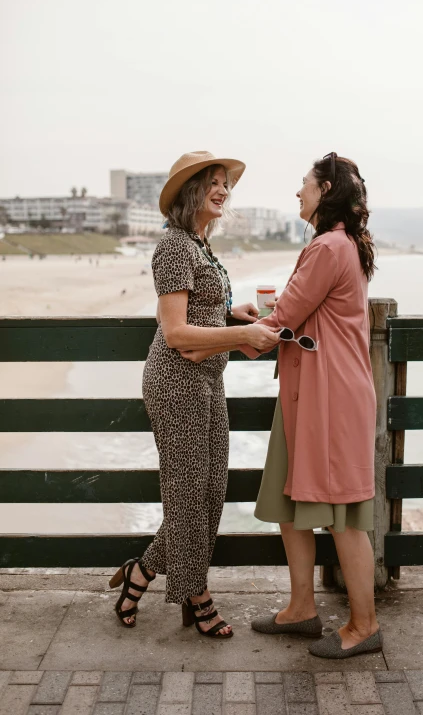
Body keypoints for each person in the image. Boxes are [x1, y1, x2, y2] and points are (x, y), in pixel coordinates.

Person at [108, 151, 280, 638]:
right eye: (213, 183)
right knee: (187, 500)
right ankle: (197, 596)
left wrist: (233, 315)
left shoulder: (202, 247)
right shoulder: (174, 248)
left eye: (226, 184)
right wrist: (245, 337)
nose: (223, 191)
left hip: (208, 380)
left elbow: (200, 315)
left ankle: (137, 576)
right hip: (175, 383)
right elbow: (178, 335)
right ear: (191, 192)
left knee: (209, 495)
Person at [245, 153, 381, 659]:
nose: (297, 193)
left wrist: (215, 338)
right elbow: (294, 316)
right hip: (306, 395)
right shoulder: (337, 244)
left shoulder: (328, 246)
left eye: (303, 185)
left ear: (325, 190)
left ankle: (364, 625)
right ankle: (302, 607)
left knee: (343, 513)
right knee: (289, 500)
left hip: (331, 399)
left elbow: (284, 318)